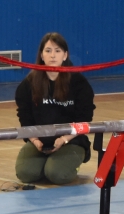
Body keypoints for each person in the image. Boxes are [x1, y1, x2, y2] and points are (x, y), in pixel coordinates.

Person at [13, 33, 93, 185]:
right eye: (48, 51)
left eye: (57, 51)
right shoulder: (28, 84)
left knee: (57, 175)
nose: (53, 55)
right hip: (40, 142)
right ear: (41, 55)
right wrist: (34, 140)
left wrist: (64, 139)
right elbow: (25, 117)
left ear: (65, 55)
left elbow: (85, 119)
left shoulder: (79, 83)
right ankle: (46, 163)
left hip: (71, 140)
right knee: (26, 174)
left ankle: (62, 163)